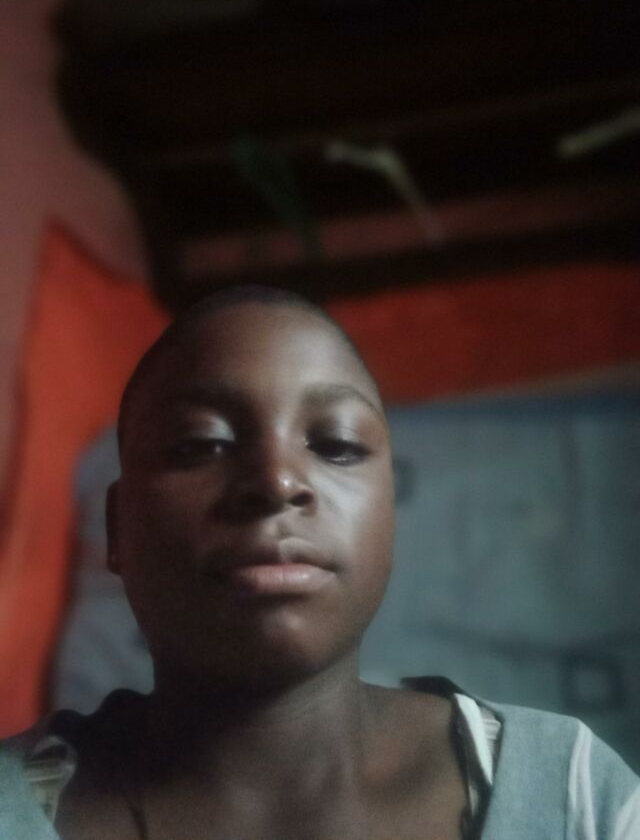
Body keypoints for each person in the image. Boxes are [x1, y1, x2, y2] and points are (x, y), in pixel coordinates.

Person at [1, 286, 638, 839]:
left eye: (335, 444)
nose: (277, 481)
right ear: (117, 527)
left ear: (388, 515)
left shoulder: (576, 795)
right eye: (202, 444)